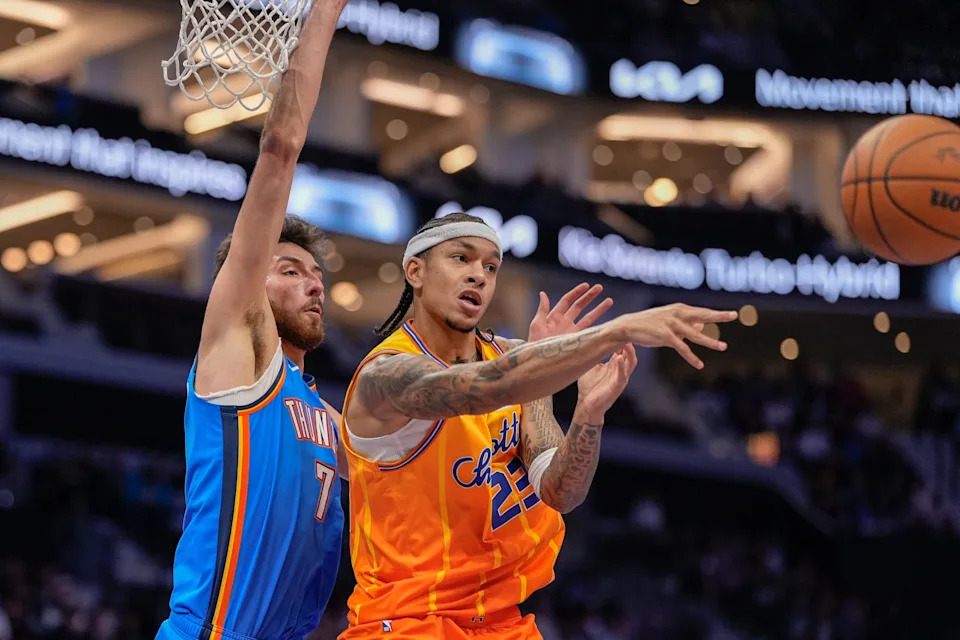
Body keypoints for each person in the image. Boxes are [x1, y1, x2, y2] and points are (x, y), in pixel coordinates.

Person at [337, 212, 737, 639]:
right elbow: (487, 386)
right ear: (415, 271)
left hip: (501, 621)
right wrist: (614, 332)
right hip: (408, 622)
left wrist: (589, 414)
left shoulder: (507, 357)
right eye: (461, 258)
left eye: (490, 267)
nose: (479, 275)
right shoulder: (384, 377)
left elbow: (560, 492)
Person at [154, 1, 349, 639]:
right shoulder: (242, 348)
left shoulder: (328, 414)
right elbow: (281, 147)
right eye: (288, 270)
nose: (312, 281)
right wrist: (324, 12)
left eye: (315, 274)